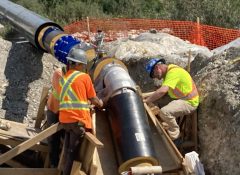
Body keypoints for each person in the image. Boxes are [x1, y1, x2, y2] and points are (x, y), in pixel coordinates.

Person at [59, 47, 103, 175]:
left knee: (67, 149)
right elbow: (93, 98)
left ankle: (62, 171)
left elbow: (75, 97)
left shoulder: (64, 78)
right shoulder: (84, 77)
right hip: (78, 120)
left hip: (65, 119)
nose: (84, 67)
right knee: (72, 152)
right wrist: (100, 103)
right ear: (78, 64)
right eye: (83, 64)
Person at [143, 58, 199, 140]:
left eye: (154, 74)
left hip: (189, 102)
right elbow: (163, 91)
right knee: (158, 101)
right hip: (180, 98)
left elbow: (162, 91)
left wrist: (147, 100)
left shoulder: (173, 72)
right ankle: (167, 122)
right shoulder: (168, 73)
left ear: (157, 68)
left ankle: (174, 134)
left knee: (165, 112)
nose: (155, 77)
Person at [46, 66, 66, 168]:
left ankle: (57, 162)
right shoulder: (59, 74)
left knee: (61, 137)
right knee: (53, 138)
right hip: (54, 109)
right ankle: (53, 163)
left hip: (60, 111)